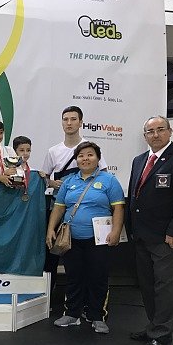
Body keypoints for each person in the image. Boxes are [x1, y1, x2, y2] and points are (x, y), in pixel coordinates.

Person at [126, 115, 173, 345]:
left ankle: (161, 336)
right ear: (145, 136)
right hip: (141, 235)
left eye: (160, 129)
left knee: (165, 287)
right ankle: (154, 326)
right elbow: (135, 196)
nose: (155, 134)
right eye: (150, 131)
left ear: (170, 132)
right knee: (147, 285)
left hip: (167, 238)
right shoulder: (139, 160)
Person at [46, 141, 124, 334]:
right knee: (74, 276)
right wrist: (50, 229)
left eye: (90, 155)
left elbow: (118, 208)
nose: (85, 159)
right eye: (81, 156)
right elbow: (59, 207)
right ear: (76, 160)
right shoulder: (69, 181)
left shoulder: (109, 180)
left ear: (98, 158)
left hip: (99, 239)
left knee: (98, 277)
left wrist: (116, 231)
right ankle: (72, 314)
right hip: (71, 239)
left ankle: (97, 316)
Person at [41, 106, 108, 307]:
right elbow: (44, 177)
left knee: (90, 262)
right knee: (52, 257)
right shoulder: (53, 151)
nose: (69, 123)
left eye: (73, 119)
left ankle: (91, 305)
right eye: (65, 119)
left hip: (88, 215)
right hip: (60, 210)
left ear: (81, 122)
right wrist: (52, 183)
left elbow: (103, 177)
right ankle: (47, 301)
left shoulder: (90, 149)